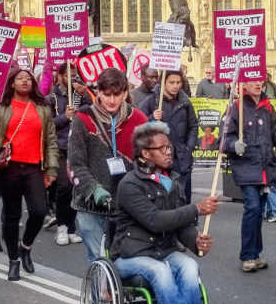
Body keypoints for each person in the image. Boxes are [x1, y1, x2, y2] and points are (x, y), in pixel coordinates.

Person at [113, 122, 222, 304]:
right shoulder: (129, 184)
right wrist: (196, 209)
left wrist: (196, 241)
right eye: (162, 148)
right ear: (145, 154)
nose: (168, 151)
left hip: (164, 250)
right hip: (132, 255)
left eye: (169, 146)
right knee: (160, 272)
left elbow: (180, 225)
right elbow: (155, 221)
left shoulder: (172, 181)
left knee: (190, 267)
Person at [68, 68, 149, 262]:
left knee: (124, 259)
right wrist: (93, 189)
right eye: (106, 95)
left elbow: (148, 160)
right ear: (98, 92)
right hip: (90, 204)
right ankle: (99, 291)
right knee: (98, 261)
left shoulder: (139, 119)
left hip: (126, 204)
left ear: (125, 93)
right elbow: (75, 163)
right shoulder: (82, 119)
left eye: (117, 95)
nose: (112, 100)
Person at [0, 67, 59, 280]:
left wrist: (52, 168)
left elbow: (51, 140)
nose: (25, 81)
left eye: (28, 79)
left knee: (39, 211)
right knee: (11, 215)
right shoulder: (0, 108)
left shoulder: (43, 108)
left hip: (33, 167)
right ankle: (13, 260)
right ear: (11, 83)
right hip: (8, 168)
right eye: (20, 78)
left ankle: (25, 246)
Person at [221, 79, 276, 271]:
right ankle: (248, 256)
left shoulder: (268, 107)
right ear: (243, 85)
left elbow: (274, 135)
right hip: (246, 167)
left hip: (265, 167)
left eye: (259, 80)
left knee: (258, 211)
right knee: (252, 208)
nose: (257, 84)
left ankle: (255, 253)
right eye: (252, 81)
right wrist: (233, 145)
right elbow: (224, 138)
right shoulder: (235, 107)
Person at [139, 68, 198, 203]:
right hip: (158, 159)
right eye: (171, 82)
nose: (175, 86)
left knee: (183, 197)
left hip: (181, 158)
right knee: (163, 199)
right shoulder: (151, 101)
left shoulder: (185, 102)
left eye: (178, 82)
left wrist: (189, 148)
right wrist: (151, 118)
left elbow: (193, 126)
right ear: (163, 83)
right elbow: (139, 128)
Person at [45, 62, 86, 246]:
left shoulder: (80, 95)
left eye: (75, 75)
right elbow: (47, 125)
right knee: (64, 187)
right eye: (68, 75)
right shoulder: (51, 98)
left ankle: (71, 228)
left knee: (76, 188)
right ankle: (61, 225)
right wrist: (65, 117)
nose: (72, 78)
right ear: (60, 76)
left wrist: (85, 97)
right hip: (59, 148)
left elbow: (91, 112)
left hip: (78, 147)